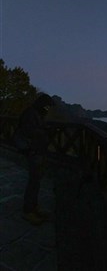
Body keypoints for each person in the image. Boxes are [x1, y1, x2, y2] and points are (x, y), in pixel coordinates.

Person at [14, 93, 54, 225]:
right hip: (33, 151)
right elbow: (30, 132)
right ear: (42, 104)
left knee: (36, 181)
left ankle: (34, 207)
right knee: (33, 181)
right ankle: (28, 211)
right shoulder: (31, 114)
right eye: (47, 106)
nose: (48, 109)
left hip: (37, 151)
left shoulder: (35, 113)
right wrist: (46, 132)